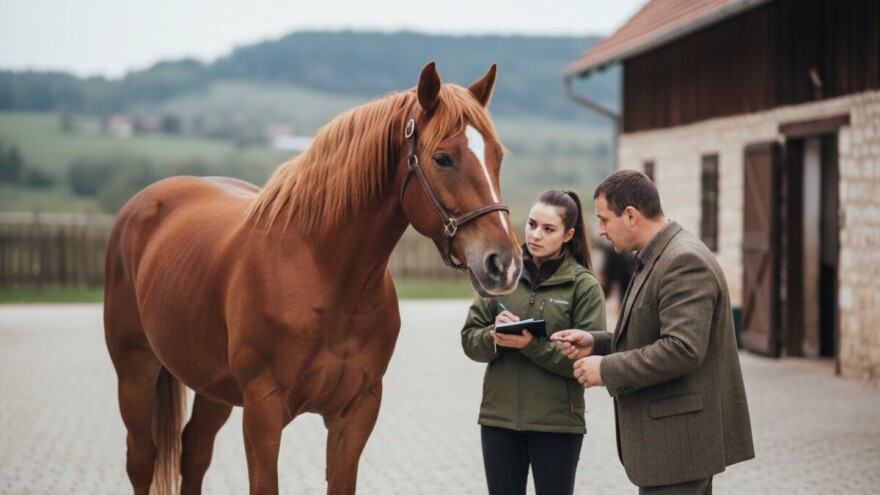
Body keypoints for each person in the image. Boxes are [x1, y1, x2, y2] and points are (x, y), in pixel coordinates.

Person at [552, 170, 754, 494]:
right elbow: (650, 333)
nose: (601, 231)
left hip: (679, 447)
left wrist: (606, 369)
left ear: (630, 215)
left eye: (604, 220)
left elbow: (682, 349)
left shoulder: (683, 260)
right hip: (672, 450)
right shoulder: (656, 254)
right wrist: (596, 343)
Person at [461, 190, 606, 495]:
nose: (535, 234)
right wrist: (494, 338)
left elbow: (584, 363)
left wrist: (529, 345)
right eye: (531, 224)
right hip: (498, 421)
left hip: (557, 425)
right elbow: (469, 340)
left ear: (568, 235)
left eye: (548, 229)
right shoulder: (502, 274)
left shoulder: (584, 287)